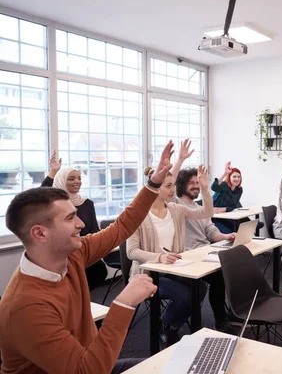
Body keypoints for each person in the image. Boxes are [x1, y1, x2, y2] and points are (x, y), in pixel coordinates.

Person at [0, 141, 174, 374]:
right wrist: (123, 303)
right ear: (40, 233)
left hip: (92, 360)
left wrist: (153, 184)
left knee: (168, 366)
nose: (81, 224)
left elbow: (120, 228)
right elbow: (87, 371)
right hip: (89, 368)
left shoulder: (72, 255)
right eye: (70, 218)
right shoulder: (26, 306)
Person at [126, 162, 213, 346]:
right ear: (154, 188)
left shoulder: (176, 209)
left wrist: (205, 188)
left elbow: (207, 212)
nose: (173, 189)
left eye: (173, 185)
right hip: (148, 274)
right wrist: (159, 257)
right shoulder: (138, 214)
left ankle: (168, 325)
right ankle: (168, 325)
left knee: (201, 287)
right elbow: (131, 251)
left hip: (173, 269)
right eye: (168, 186)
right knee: (186, 295)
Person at [170, 139, 233, 333]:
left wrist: (225, 236)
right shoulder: (174, 204)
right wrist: (180, 159)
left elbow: (210, 231)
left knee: (224, 272)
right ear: (181, 185)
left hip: (204, 252)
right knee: (216, 277)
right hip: (186, 257)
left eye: (197, 183)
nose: (196, 186)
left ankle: (222, 318)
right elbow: (168, 181)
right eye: (192, 183)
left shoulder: (199, 208)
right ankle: (213, 320)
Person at [41, 150, 108, 291]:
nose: (77, 181)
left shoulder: (87, 203)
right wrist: (53, 172)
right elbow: (39, 196)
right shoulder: (55, 203)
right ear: (61, 181)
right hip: (62, 257)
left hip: (84, 254)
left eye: (78, 178)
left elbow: (94, 230)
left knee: (99, 271)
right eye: (71, 179)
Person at [211, 161, 243, 234]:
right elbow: (213, 186)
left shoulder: (239, 190)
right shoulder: (224, 185)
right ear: (229, 177)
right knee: (230, 232)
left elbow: (234, 206)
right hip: (215, 218)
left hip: (227, 216)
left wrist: (221, 209)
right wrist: (225, 173)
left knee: (241, 228)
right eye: (234, 176)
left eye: (239, 177)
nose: (237, 179)